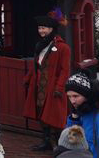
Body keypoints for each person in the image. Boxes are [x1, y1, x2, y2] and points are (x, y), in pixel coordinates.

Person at [23, 13, 72, 152]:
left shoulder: (63, 48)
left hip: (53, 87)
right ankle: (46, 142)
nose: (41, 31)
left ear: (51, 29)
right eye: (39, 28)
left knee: (54, 116)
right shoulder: (40, 45)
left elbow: (64, 70)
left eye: (44, 28)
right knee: (41, 113)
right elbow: (36, 64)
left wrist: (59, 87)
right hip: (39, 85)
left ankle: (58, 144)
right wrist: (28, 79)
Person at [63, 73, 99, 158]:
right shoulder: (85, 112)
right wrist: (74, 119)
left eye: (76, 96)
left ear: (87, 95)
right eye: (69, 96)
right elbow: (72, 142)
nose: (72, 101)